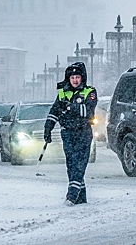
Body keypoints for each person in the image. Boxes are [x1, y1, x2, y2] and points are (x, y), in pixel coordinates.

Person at [44, 62, 97, 206]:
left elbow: (88, 112)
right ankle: (81, 197)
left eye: (77, 77)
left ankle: (72, 195)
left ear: (82, 78)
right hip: (67, 133)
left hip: (83, 132)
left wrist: (69, 106)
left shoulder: (90, 92)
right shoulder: (62, 93)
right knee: (71, 164)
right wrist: (48, 127)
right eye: (72, 77)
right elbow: (54, 111)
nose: (75, 80)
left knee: (80, 164)